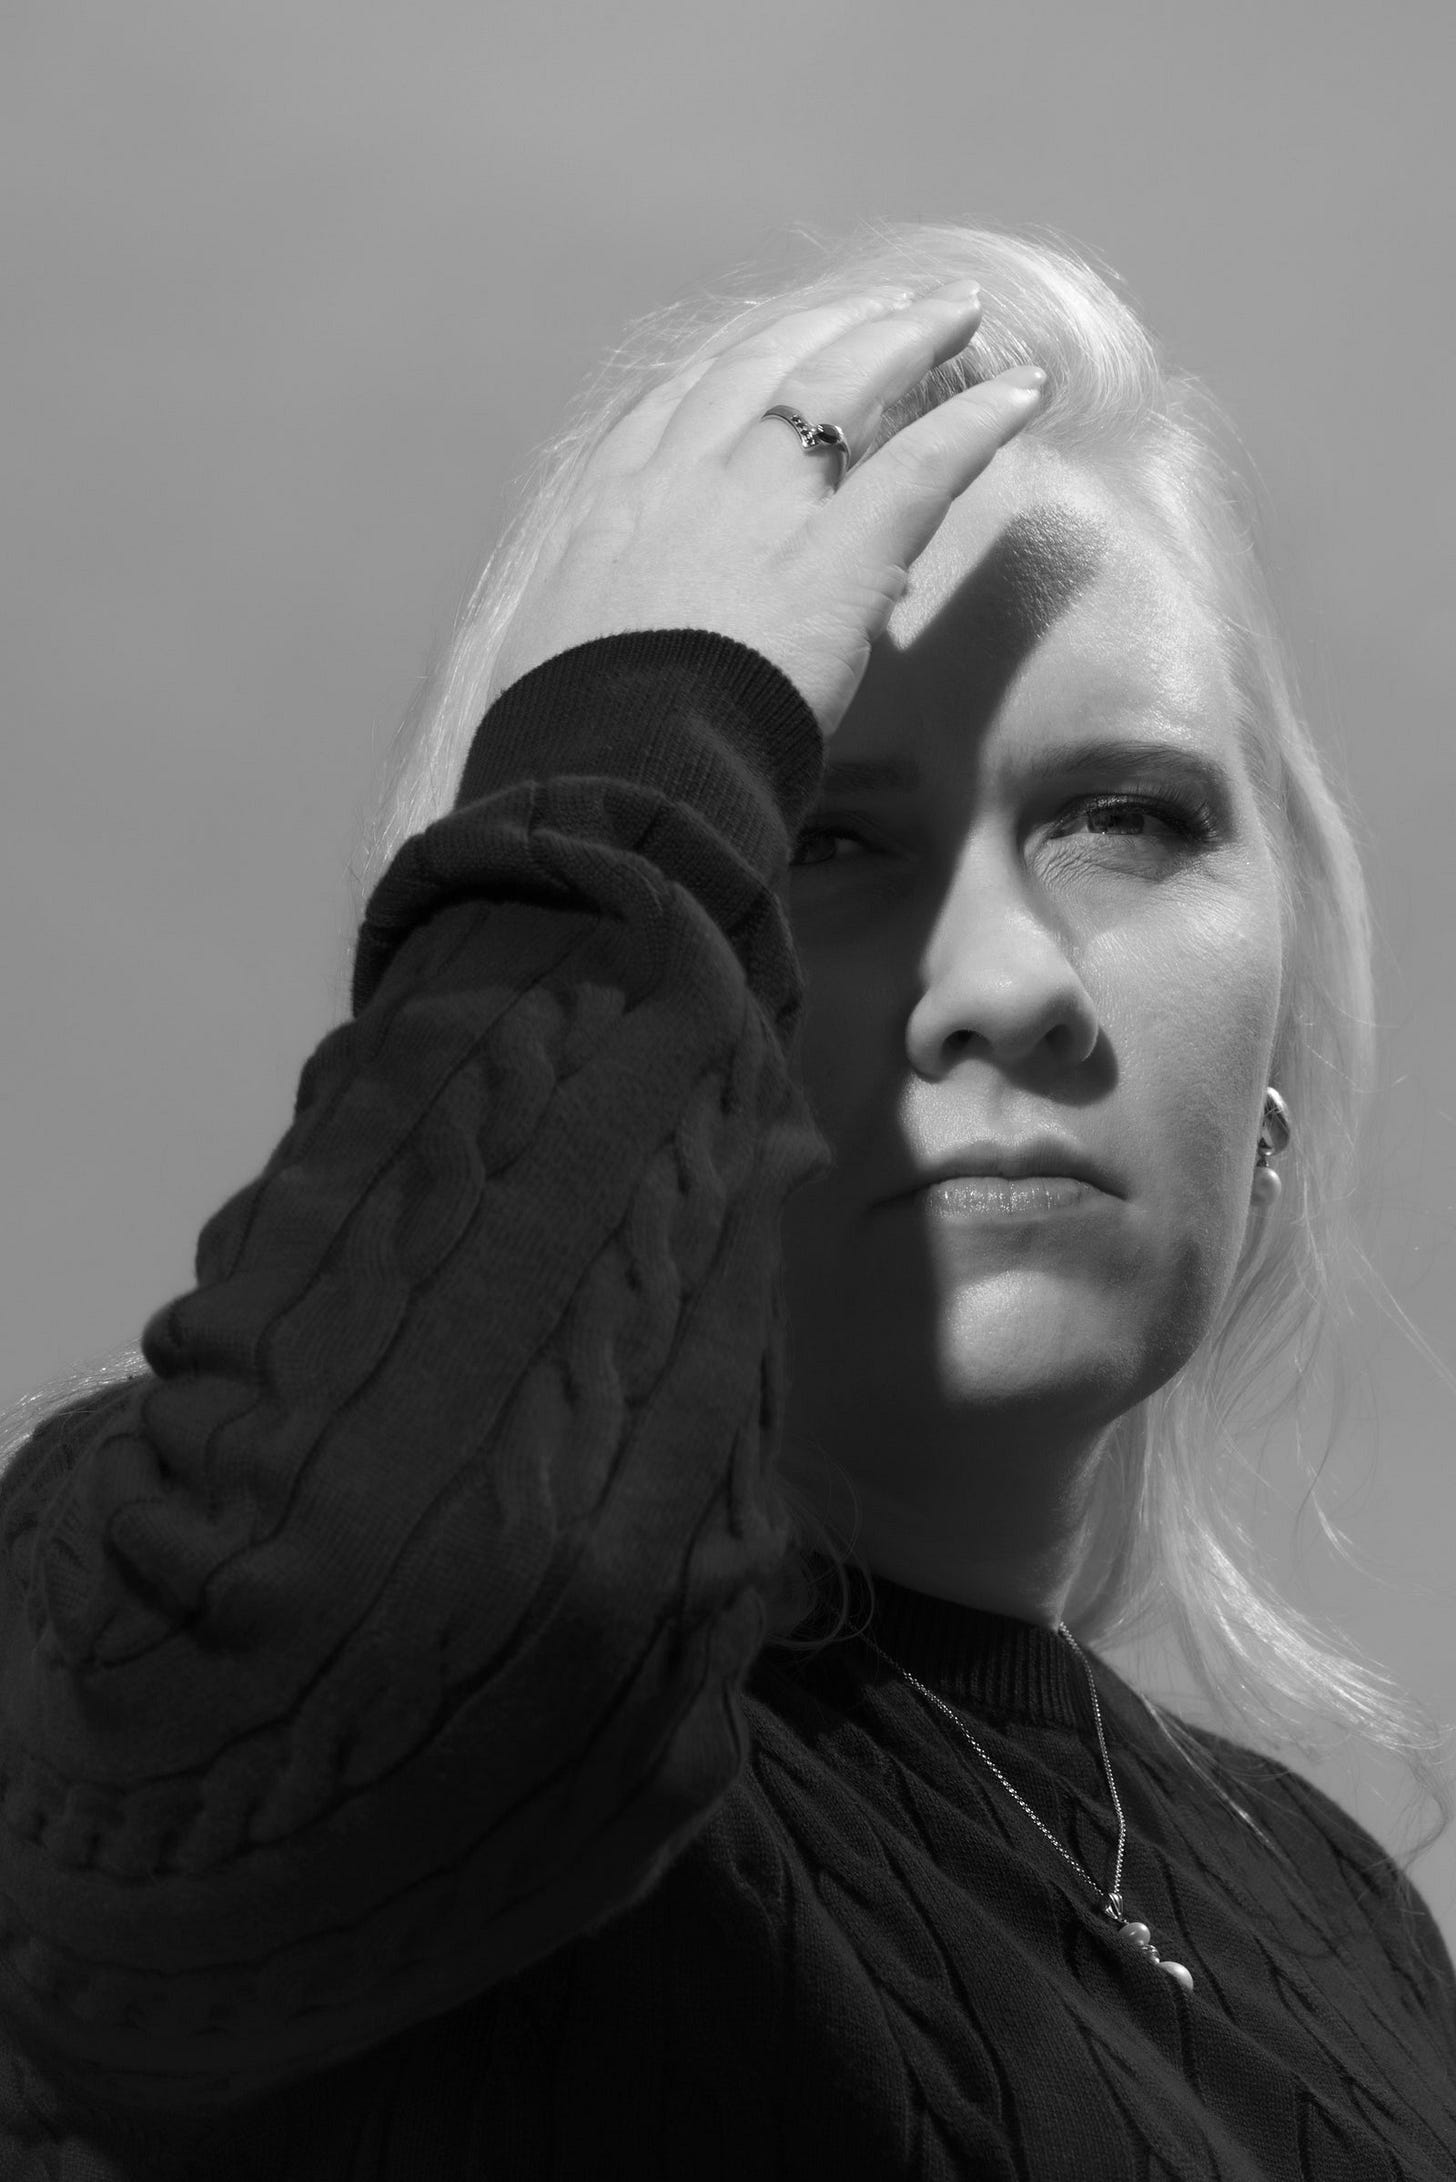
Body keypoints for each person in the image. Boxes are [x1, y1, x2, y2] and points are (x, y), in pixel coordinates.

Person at [0, 221, 1452, 2179]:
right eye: (829, 830)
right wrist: (646, 725)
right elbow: (370, 1652)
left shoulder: (1338, 1919)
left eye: (1128, 816)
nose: (1012, 979)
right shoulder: (161, 1590)